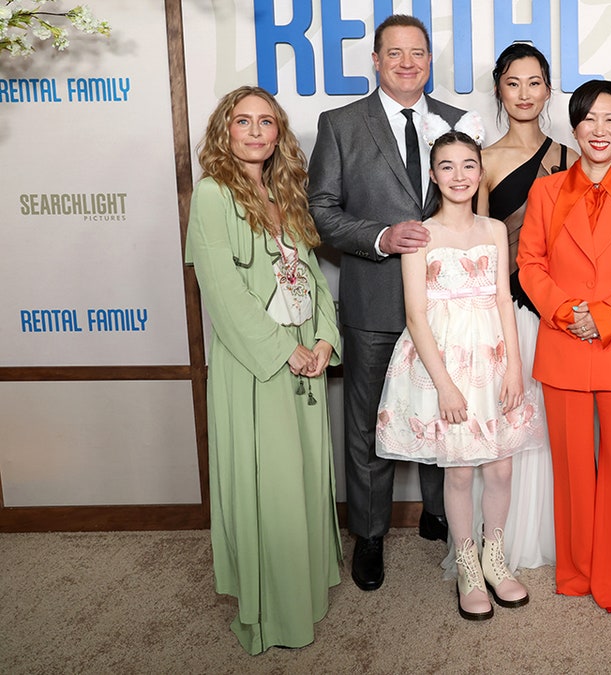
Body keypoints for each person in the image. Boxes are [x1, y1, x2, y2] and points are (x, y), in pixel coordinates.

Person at [308, 14, 468, 591]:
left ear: (430, 60)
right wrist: (380, 237)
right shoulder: (341, 123)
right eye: (394, 53)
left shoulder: (457, 121)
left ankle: (440, 514)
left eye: (417, 53)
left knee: (444, 411)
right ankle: (370, 534)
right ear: (375, 60)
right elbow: (321, 211)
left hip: (446, 305)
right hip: (374, 300)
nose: (407, 63)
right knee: (367, 422)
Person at [185, 86, 341, 654]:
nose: (255, 132)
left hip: (303, 354)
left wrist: (323, 338)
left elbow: (313, 277)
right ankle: (275, 615)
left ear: (279, 134)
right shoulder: (212, 194)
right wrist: (282, 350)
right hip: (257, 362)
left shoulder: (284, 192)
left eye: (266, 122)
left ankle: (302, 593)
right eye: (243, 121)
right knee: (269, 484)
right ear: (224, 130)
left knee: (301, 478)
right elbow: (223, 293)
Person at [516, 79, 611, 611]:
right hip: (562, 344)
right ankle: (578, 569)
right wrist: (566, 313)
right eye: (588, 119)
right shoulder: (546, 192)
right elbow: (529, 263)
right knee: (572, 466)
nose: (599, 130)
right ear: (574, 127)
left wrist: (605, 317)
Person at [376, 131, 541, 621]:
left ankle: (494, 558)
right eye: (446, 166)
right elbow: (415, 315)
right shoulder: (421, 235)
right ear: (433, 175)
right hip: (445, 364)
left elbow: (503, 301)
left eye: (469, 165)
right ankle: (467, 565)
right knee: (461, 469)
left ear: (480, 172)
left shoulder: (493, 229)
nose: (459, 175)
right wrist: (444, 385)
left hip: (492, 358)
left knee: (501, 467)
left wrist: (515, 366)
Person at [474, 42, 579, 570]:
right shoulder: (482, 161)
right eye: (512, 83)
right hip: (503, 312)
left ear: (548, 89)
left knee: (554, 422)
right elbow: (474, 245)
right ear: (499, 89)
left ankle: (550, 532)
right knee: (507, 420)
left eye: (534, 82)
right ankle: (498, 539)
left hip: (555, 311)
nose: (523, 93)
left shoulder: (570, 159)